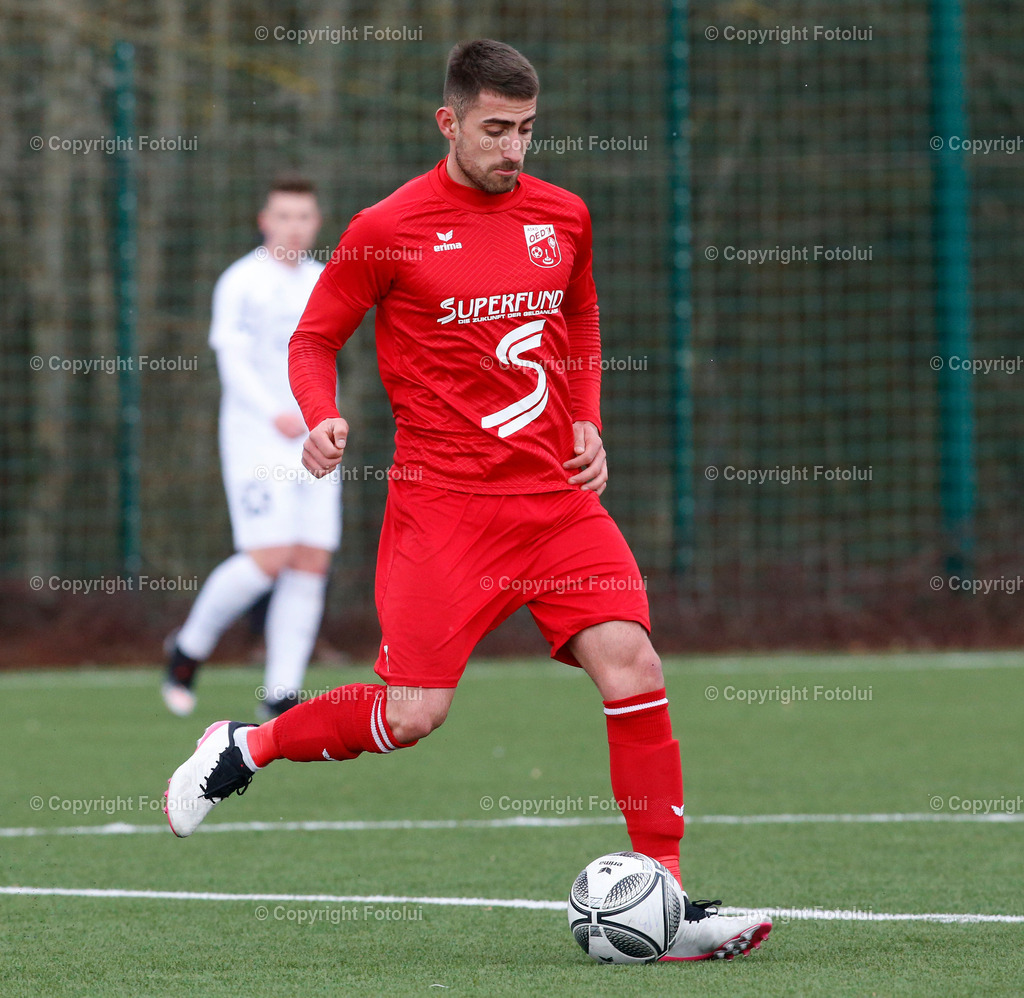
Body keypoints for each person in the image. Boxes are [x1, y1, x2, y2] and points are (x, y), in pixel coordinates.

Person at [165, 40, 771, 961]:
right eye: (495, 129)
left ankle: (668, 897)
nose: (514, 148)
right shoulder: (387, 227)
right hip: (441, 509)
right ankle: (245, 748)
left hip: (554, 502)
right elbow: (315, 337)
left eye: (527, 128)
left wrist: (586, 419)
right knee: (410, 715)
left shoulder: (564, 215)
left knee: (633, 664)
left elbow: (579, 318)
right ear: (448, 122)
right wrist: (323, 418)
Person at [161, 175, 342, 721]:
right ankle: (188, 648)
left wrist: (319, 415)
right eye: (283, 215)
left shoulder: (321, 281)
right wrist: (274, 412)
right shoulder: (241, 281)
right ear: (265, 221)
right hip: (257, 439)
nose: (294, 225)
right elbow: (232, 360)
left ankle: (281, 693)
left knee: (310, 559)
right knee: (269, 558)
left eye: (304, 216)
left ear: (316, 223)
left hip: (314, 435)